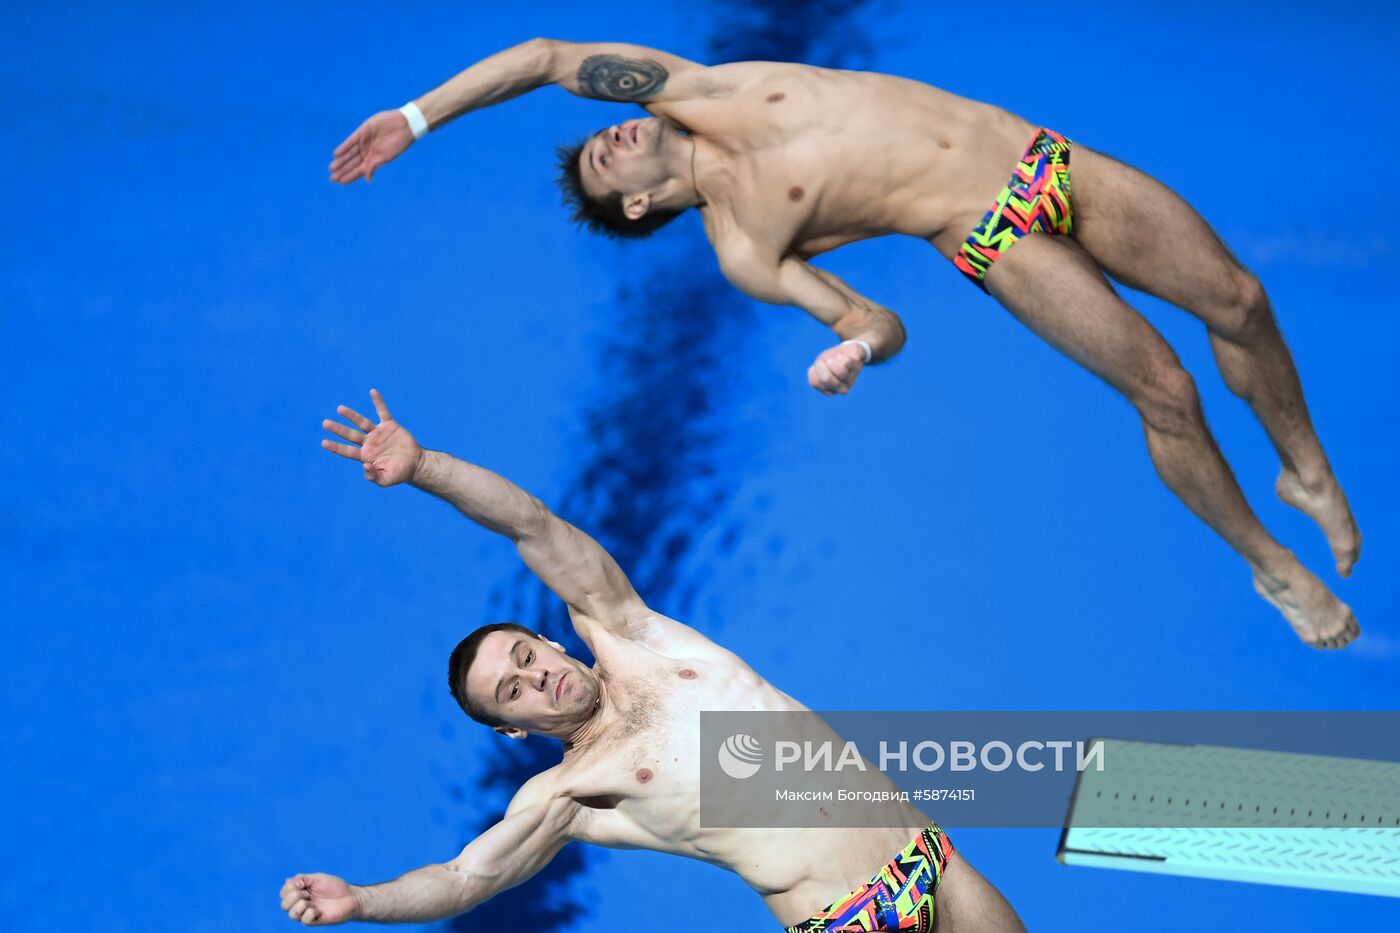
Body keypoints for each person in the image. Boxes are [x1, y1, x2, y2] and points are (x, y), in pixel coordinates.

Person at [329, 40, 1362, 649]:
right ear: (641, 203)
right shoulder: (744, 244)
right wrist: (853, 352)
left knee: (1238, 296)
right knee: (1164, 392)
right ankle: (1269, 566)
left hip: (1042, 157)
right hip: (991, 234)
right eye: (604, 167)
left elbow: (547, 61)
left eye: (602, 135)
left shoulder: (695, 87)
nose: (607, 139)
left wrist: (415, 119)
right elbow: (875, 319)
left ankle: (1301, 467)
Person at [281, 389, 1026, 931]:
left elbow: (530, 524)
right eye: (512, 689)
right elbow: (464, 876)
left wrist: (425, 466)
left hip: (928, 852)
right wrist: (363, 899)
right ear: (513, 727)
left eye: (524, 654)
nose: (535, 675)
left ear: (550, 640)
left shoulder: (632, 632)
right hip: (852, 917)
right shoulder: (571, 794)